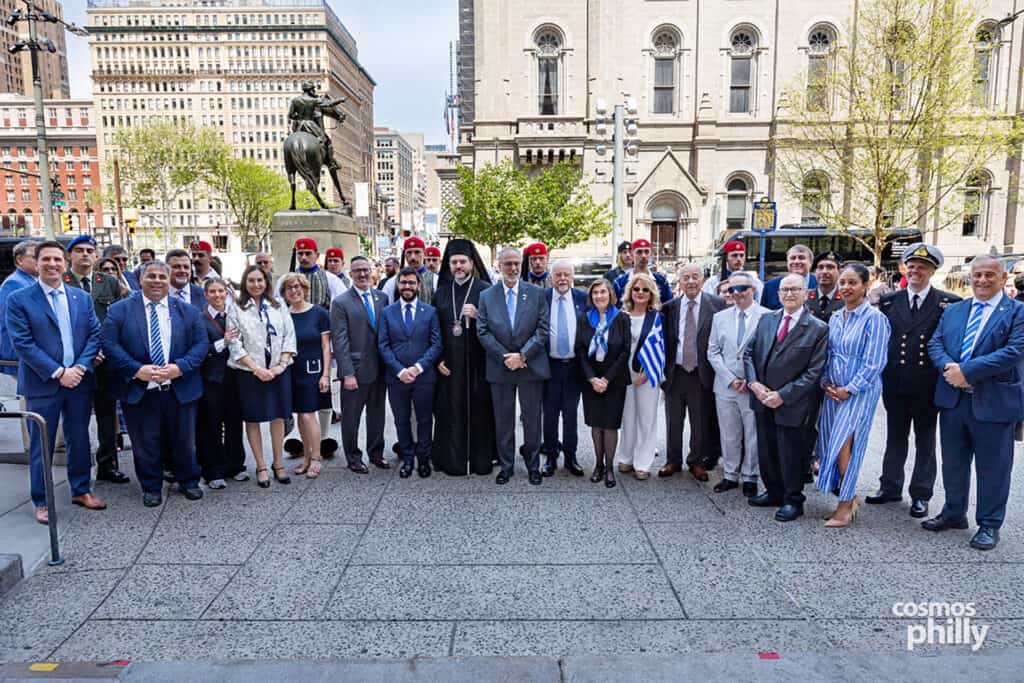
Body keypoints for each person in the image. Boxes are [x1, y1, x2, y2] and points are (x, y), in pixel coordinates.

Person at [925, 254, 1024, 551]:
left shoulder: (1018, 312)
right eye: (977, 274)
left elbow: (1015, 350)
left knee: (993, 467)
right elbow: (935, 343)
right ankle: (954, 512)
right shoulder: (955, 310)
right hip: (954, 400)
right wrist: (949, 370)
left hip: (994, 401)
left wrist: (967, 372)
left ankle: (989, 524)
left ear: (1002, 278)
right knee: (954, 462)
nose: (982, 280)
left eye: (989, 275)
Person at [6, 240, 106, 524]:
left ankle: (81, 490)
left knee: (79, 439)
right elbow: (22, 343)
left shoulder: (80, 298)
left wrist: (80, 368)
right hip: (42, 384)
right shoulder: (19, 299)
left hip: (79, 382)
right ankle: (41, 500)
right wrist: (59, 372)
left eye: (57, 259)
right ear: (36, 264)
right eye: (46, 259)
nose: (52, 264)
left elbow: (94, 336)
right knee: (42, 445)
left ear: (65, 265)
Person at [103, 260, 208, 507]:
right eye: (151, 276)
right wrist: (136, 370)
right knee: (145, 442)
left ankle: (188, 481)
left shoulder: (187, 311)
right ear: (140, 279)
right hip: (140, 389)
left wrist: (179, 368)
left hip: (179, 388)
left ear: (168, 280)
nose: (157, 281)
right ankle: (151, 486)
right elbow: (109, 345)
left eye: (162, 276)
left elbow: (201, 345)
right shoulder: (119, 310)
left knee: (184, 440)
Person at [870, 244, 959, 518]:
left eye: (922, 266)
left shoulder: (948, 303)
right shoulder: (889, 301)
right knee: (895, 437)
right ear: (903, 269)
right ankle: (890, 486)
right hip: (895, 382)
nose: (915, 270)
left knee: (925, 441)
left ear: (932, 271)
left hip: (927, 384)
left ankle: (921, 494)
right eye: (911, 265)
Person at [744, 274, 829, 522]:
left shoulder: (817, 328)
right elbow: (749, 353)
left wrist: (782, 395)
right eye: (784, 290)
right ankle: (773, 491)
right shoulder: (767, 319)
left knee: (790, 453)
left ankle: (793, 499)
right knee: (767, 449)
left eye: (794, 289)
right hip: (762, 398)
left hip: (792, 403)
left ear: (806, 293)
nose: (789, 294)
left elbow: (814, 371)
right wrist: (755, 384)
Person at [816, 264, 891, 527]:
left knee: (844, 445)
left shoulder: (875, 319)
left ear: (865, 286)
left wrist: (850, 388)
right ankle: (849, 496)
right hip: (833, 391)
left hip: (858, 392)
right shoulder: (836, 317)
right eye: (843, 282)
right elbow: (830, 353)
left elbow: (875, 362)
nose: (846, 288)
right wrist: (826, 382)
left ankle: (845, 506)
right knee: (829, 446)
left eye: (853, 283)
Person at [477, 247, 551, 485]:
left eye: (517, 263)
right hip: (501, 367)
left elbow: (542, 329)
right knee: (503, 419)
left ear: (523, 265)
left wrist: (523, 355)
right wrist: (505, 357)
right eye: (508, 263)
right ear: (499, 266)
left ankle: (533, 465)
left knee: (531, 420)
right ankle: (506, 465)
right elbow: (483, 330)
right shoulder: (487, 296)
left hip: (530, 367)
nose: (513, 268)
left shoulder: (536, 294)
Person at [64, 234, 131, 485]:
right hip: (77, 363)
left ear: (95, 255)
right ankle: (80, 469)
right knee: (77, 420)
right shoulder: (63, 281)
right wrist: (87, 354)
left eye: (89, 250)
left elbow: (117, 320)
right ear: (70, 255)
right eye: (79, 250)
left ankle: (108, 465)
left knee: (107, 415)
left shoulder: (108, 282)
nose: (84, 254)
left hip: (105, 362)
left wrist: (106, 350)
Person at [430, 239, 498, 476]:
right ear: (448, 265)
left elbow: (498, 328)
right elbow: (433, 330)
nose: (458, 266)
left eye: (462, 262)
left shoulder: (485, 291)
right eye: (454, 262)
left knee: (479, 410)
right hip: (448, 364)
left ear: (472, 263)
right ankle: (450, 459)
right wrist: (437, 359)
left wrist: (479, 316)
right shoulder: (440, 293)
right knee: (450, 411)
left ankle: (480, 460)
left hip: (477, 364)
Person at [227, 265, 296, 488]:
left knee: (278, 417)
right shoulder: (236, 308)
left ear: (266, 282)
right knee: (253, 418)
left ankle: (278, 464)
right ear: (245, 283)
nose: (256, 284)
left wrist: (281, 365)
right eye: (251, 281)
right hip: (250, 373)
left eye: (260, 280)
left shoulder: (278, 305)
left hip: (278, 370)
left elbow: (289, 335)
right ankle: (261, 466)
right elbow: (235, 343)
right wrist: (256, 369)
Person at [659, 264, 727, 481]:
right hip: (676, 372)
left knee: (700, 421)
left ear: (703, 279)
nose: (690, 281)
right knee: (673, 420)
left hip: (701, 373)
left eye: (695, 277)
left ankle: (697, 461)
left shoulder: (717, 305)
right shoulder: (669, 307)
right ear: (679, 282)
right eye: (685, 277)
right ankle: (673, 460)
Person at [707, 273, 768, 497]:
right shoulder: (719, 317)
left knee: (752, 433)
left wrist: (751, 381)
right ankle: (730, 474)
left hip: (754, 386)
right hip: (726, 386)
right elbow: (712, 352)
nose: (736, 293)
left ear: (752, 289)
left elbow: (768, 353)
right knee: (729, 432)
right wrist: (730, 379)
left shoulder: (767, 316)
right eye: (731, 290)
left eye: (741, 288)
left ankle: (751, 475)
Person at [378, 268, 443, 478]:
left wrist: (418, 367)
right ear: (398, 285)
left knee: (425, 419)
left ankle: (423, 458)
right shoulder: (387, 312)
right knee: (401, 420)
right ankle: (407, 458)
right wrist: (399, 371)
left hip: (424, 377)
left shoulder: (430, 312)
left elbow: (436, 344)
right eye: (403, 283)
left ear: (419, 285)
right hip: (397, 378)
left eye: (411, 283)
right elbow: (383, 345)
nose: (407, 287)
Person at [332, 255, 390, 473]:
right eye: (357, 270)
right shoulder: (341, 302)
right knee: (351, 418)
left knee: (377, 415)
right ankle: (353, 457)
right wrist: (347, 373)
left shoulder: (382, 298)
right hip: (355, 371)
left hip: (380, 370)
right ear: (351, 274)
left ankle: (376, 453)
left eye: (366, 269)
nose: (363, 274)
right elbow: (340, 340)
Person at [576, 278, 630, 488]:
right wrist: (592, 379)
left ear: (610, 295)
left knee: (610, 425)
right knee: (596, 423)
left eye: (603, 292)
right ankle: (597, 465)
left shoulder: (621, 318)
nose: (599, 296)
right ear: (591, 296)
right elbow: (580, 350)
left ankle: (609, 468)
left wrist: (606, 379)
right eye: (595, 293)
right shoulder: (584, 319)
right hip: (591, 378)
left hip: (614, 378)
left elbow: (625, 351)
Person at [279, 273, 331, 479]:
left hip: (313, 369)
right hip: (292, 370)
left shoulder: (319, 313)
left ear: (305, 289)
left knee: (310, 414)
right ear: (284, 292)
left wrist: (326, 374)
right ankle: (307, 458)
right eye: (290, 287)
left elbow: (326, 346)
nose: (294, 290)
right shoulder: (284, 314)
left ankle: (317, 458)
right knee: (301, 414)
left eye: (298, 286)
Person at [196, 277, 246, 488]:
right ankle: (213, 470)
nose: (217, 295)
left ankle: (235, 465)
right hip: (211, 380)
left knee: (235, 422)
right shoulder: (199, 319)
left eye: (221, 291)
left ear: (227, 293)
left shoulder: (235, 315)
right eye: (213, 292)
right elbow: (198, 349)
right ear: (205, 295)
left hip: (234, 378)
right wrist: (222, 342)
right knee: (211, 425)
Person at [540, 260, 588, 477]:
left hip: (574, 368)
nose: (562, 279)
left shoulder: (582, 299)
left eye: (566, 275)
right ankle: (551, 456)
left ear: (573, 277)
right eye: (558, 275)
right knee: (549, 414)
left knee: (570, 415)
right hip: (549, 367)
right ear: (551, 277)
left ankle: (571, 457)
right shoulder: (543, 299)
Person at [616, 272, 665, 479]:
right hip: (624, 372)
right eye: (636, 289)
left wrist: (648, 372)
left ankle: (643, 463)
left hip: (648, 371)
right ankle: (626, 457)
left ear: (651, 293)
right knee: (627, 416)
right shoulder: (621, 316)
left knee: (647, 417)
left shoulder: (656, 318)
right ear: (630, 292)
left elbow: (662, 347)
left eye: (645, 289)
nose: (640, 293)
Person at [0, 240, 38, 383]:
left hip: (29, 353)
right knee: (27, 397)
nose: (40, 260)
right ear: (20, 260)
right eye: (35, 256)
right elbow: (9, 322)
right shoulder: (15, 283)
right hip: (20, 355)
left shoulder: (32, 280)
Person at [285, 238, 345, 308]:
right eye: (300, 253)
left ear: (317, 255)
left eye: (308, 253)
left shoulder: (331, 279)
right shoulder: (286, 279)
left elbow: (341, 305)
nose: (303, 257)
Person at [612, 239, 673, 304]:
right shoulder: (619, 284)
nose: (643, 256)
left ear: (650, 255)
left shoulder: (661, 281)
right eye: (639, 252)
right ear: (632, 255)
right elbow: (614, 308)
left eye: (646, 252)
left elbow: (669, 306)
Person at [761, 244, 818, 310]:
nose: (796, 261)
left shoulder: (820, 284)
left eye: (801, 258)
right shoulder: (770, 286)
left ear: (811, 262)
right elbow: (764, 315)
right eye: (793, 258)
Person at [383, 237, 436, 304]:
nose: (413, 257)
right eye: (409, 253)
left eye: (417, 252)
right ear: (404, 254)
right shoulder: (392, 282)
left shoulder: (435, 280)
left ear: (424, 254)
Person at [806, 250, 844, 323]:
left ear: (839, 271)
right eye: (820, 267)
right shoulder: (804, 298)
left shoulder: (846, 299)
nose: (824, 272)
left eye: (830, 267)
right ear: (814, 272)